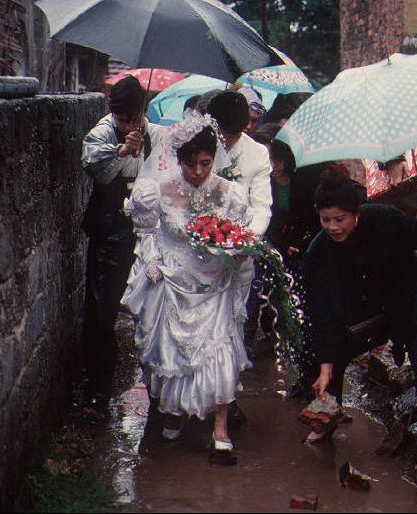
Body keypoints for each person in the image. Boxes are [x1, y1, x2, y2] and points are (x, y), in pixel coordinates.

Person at [120, 109, 251, 455]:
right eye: (190, 164)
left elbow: (239, 238)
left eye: (206, 163)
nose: (198, 172)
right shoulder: (156, 192)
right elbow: (147, 232)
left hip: (215, 281)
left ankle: (220, 424)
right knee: (172, 350)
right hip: (174, 278)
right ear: (177, 160)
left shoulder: (230, 195)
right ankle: (174, 412)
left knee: (219, 348)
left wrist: (235, 252)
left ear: (214, 160)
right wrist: (152, 261)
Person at [303, 169, 417, 442]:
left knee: (415, 331)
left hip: (402, 287)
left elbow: (412, 236)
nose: (333, 227)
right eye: (326, 219)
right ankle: (327, 416)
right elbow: (324, 312)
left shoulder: (382, 217)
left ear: (356, 213)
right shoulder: (318, 254)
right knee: (336, 347)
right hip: (362, 303)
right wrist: (325, 365)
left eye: (340, 219)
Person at [79, 75, 163, 410]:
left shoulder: (155, 134)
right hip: (109, 230)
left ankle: (158, 387)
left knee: (155, 310)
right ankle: (98, 385)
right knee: (102, 311)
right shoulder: (102, 133)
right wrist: (121, 150)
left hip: (148, 231)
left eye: (133, 118)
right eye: (121, 119)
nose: (128, 124)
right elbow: (93, 166)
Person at [207, 89, 273, 425]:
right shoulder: (200, 145)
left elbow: (262, 205)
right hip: (201, 254)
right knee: (203, 329)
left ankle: (227, 398)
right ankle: (197, 396)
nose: (228, 141)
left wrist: (248, 237)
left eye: (234, 134)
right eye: (223, 133)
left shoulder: (258, 155)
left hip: (239, 253)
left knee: (233, 326)